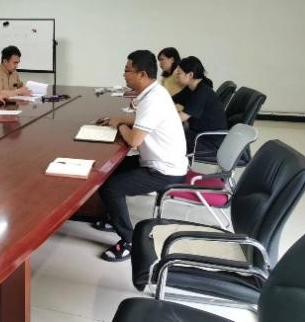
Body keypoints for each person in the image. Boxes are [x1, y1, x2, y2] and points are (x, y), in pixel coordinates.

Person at [95, 50, 188, 262]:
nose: (124, 75)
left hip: (164, 170)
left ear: (142, 74)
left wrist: (119, 124)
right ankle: (113, 217)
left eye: (127, 70)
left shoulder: (153, 99)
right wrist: (119, 118)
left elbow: (134, 141)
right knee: (108, 169)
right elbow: (141, 120)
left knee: (111, 187)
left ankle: (128, 241)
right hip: (158, 161)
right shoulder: (154, 93)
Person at [172, 56, 227, 153]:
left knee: (165, 137)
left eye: (179, 73)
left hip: (208, 141)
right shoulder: (191, 88)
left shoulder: (202, 92)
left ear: (190, 75)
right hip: (198, 134)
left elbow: (181, 118)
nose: (176, 75)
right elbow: (170, 100)